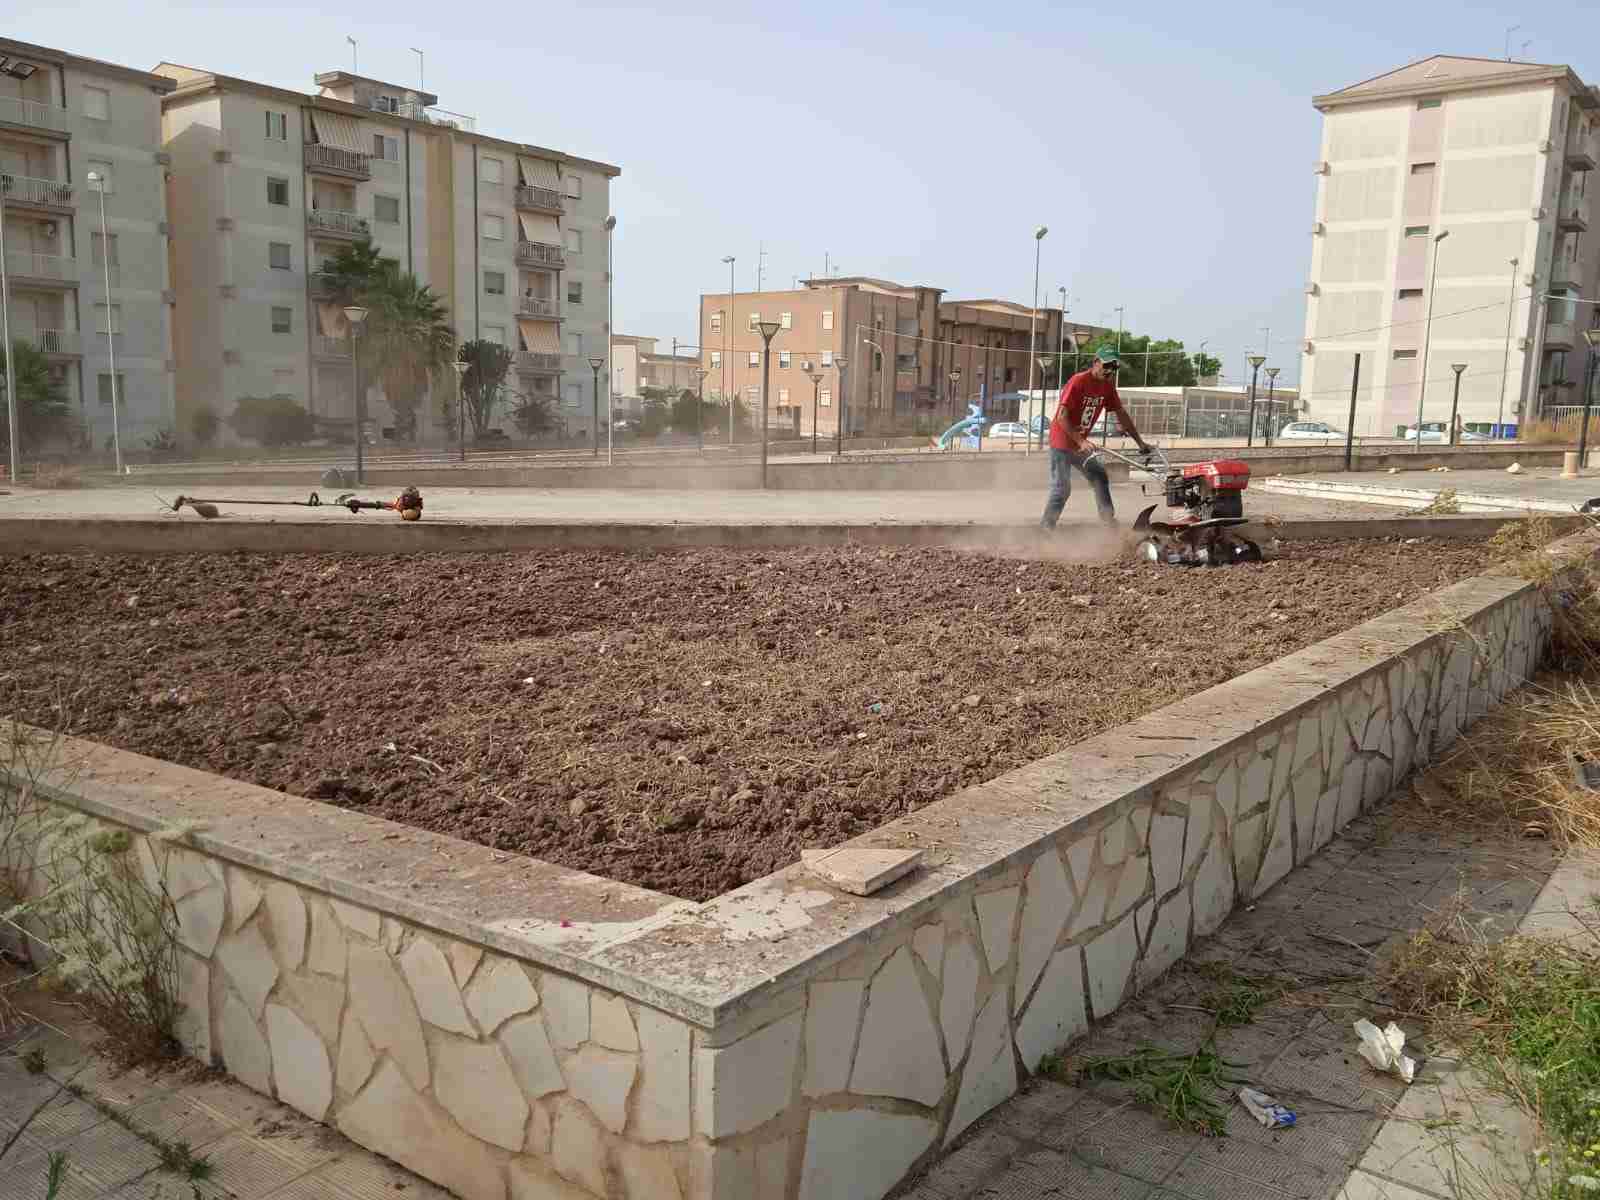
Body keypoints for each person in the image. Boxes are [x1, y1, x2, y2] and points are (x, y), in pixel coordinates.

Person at [1040, 347, 1153, 529]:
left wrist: (1140, 443)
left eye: (1114, 368)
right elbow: (1061, 416)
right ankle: (1046, 528)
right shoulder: (1079, 381)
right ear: (1096, 362)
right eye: (1106, 365)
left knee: (1099, 476)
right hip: (1062, 443)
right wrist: (1081, 441)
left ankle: (1108, 520)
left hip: (1080, 445)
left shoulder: (1107, 386)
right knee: (1062, 488)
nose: (1109, 371)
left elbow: (1121, 414)